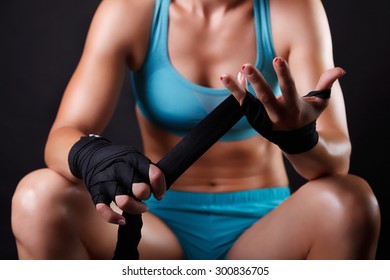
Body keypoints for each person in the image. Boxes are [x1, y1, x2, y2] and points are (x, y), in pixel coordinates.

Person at [11, 0, 380, 260]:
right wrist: (95, 157)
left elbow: (335, 162)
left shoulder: (292, 8)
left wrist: (300, 137)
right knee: (38, 196)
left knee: (350, 200)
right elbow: (62, 137)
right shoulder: (130, 9)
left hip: (265, 233)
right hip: (156, 230)